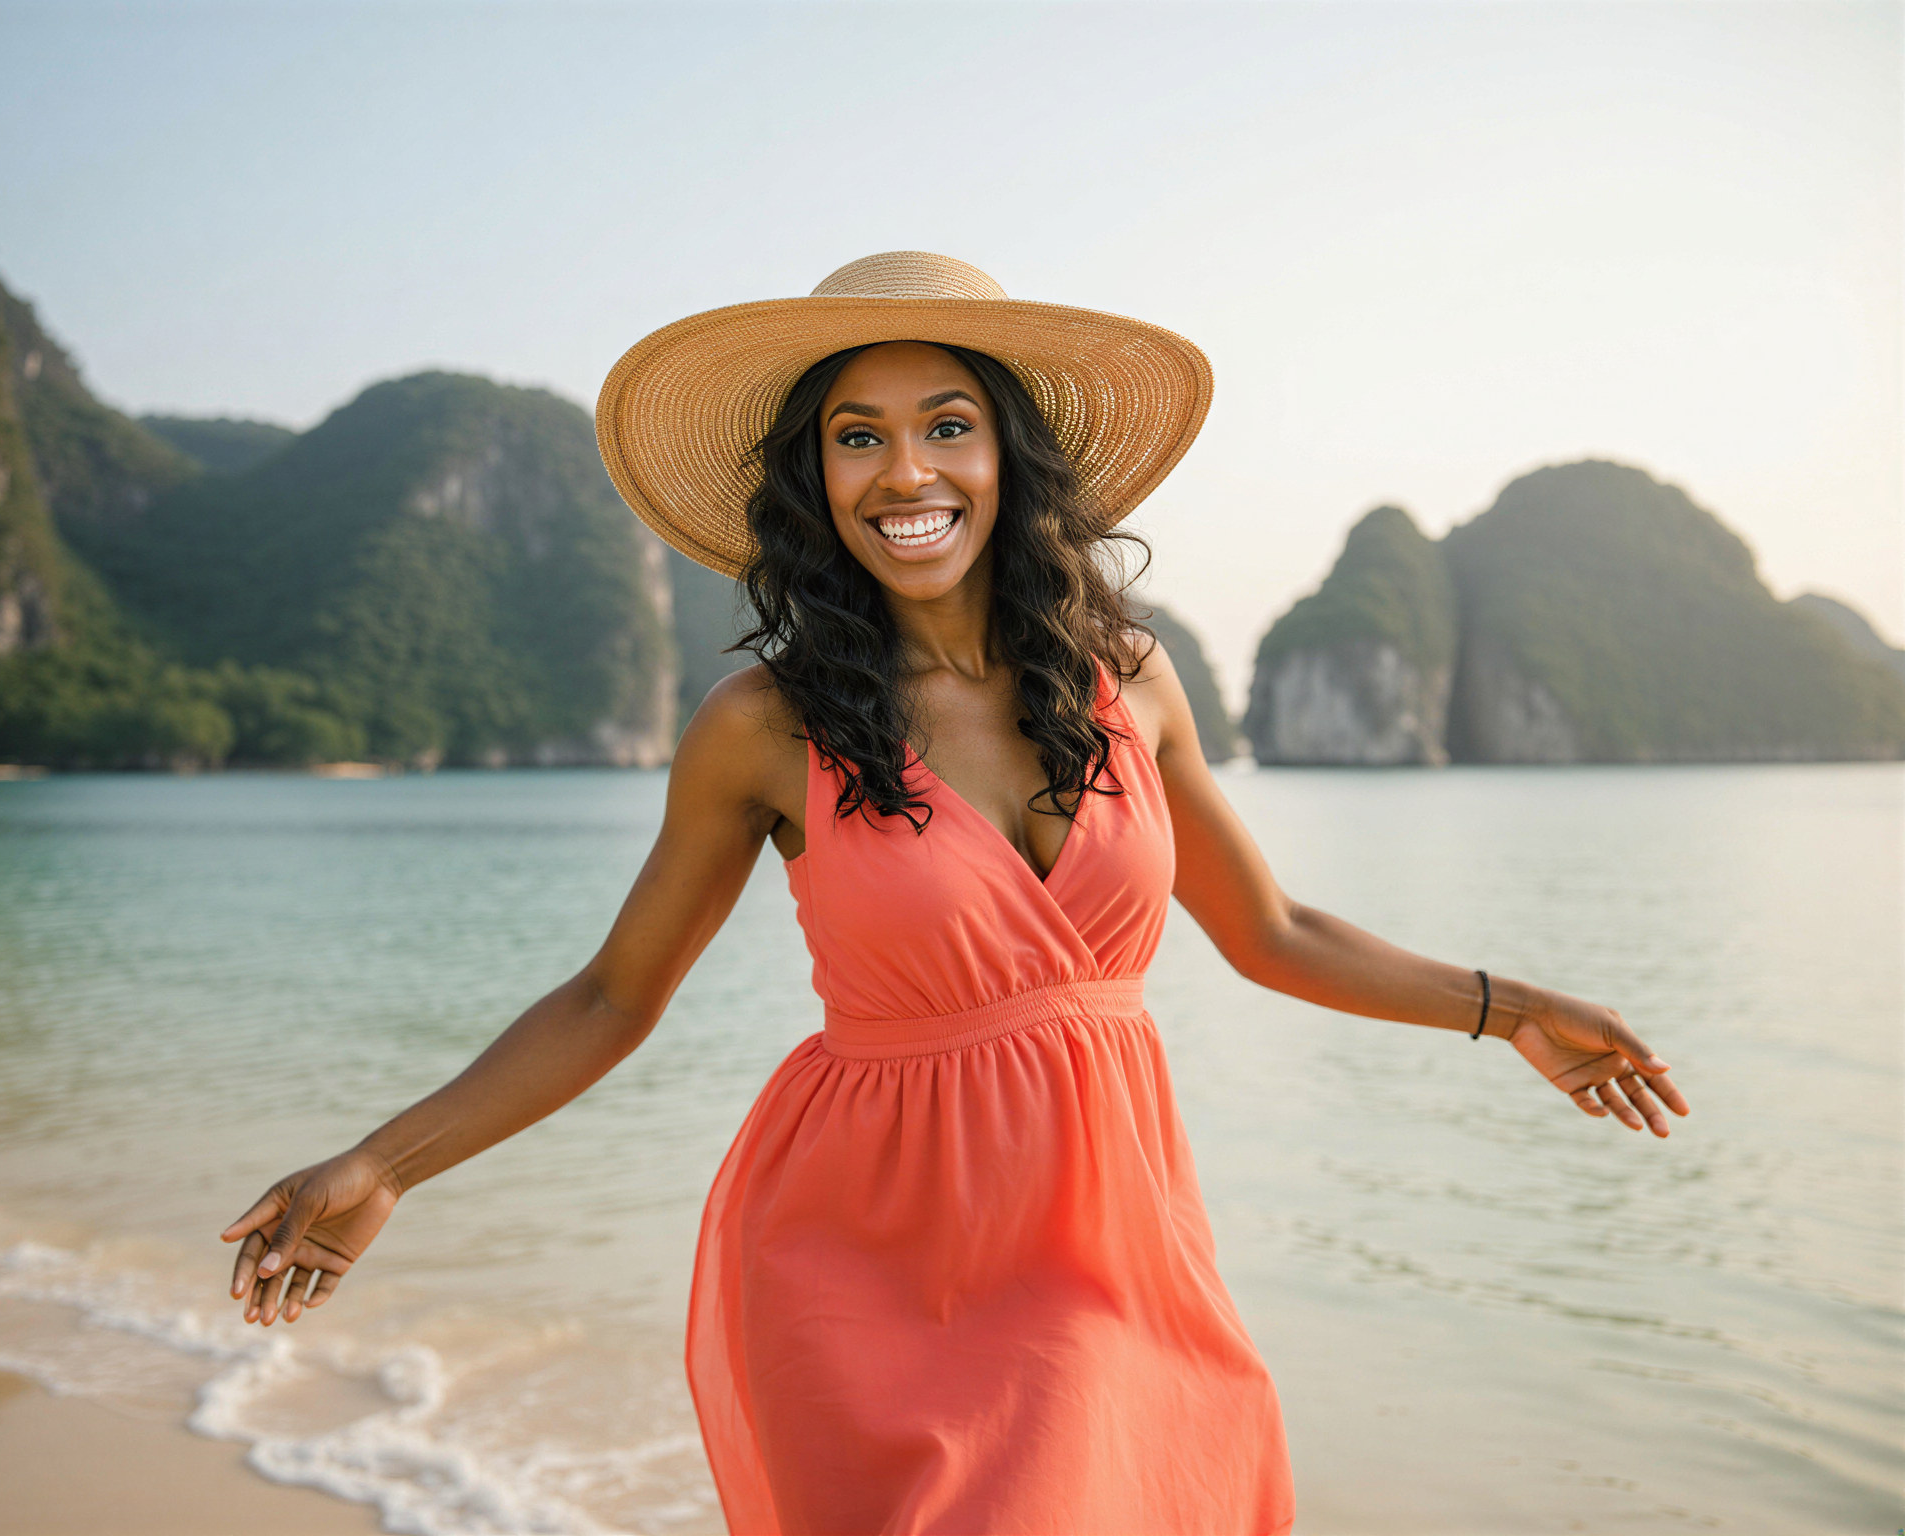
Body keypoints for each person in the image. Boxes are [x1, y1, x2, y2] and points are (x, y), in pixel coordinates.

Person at [221, 252, 1690, 1536]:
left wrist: (1510, 1010)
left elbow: (1273, 932)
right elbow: (616, 995)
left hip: (1119, 1256)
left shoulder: (1132, 680)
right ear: (814, 480)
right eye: (857, 437)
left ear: (1008, 455)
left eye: (947, 426)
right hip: (867, 1268)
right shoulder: (764, 725)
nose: (905, 473)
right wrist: (387, 1164)